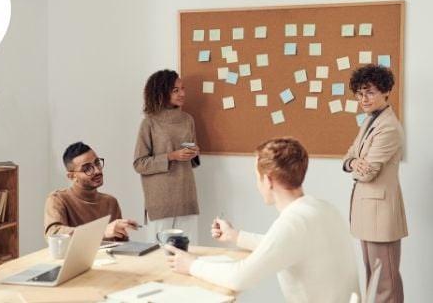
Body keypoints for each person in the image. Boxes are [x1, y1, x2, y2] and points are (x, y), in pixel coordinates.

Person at [166, 137, 360, 302]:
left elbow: (238, 278)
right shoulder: (320, 208)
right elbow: (282, 246)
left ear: (268, 181)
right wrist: (237, 236)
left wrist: (192, 265)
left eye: (257, 177)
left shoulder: (293, 223)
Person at [342, 64, 407, 303]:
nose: (363, 99)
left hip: (381, 215)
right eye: (359, 93)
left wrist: (357, 164)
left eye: (369, 92)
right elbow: (348, 156)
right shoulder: (369, 122)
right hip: (368, 213)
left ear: (385, 90)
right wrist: (353, 163)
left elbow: (367, 173)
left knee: (385, 284)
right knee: (374, 279)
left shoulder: (388, 127)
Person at [133, 69, 200, 244]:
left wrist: (193, 152)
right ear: (161, 92)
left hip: (186, 196)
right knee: (159, 256)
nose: (182, 93)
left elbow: (190, 155)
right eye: (175, 90)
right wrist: (171, 156)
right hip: (161, 201)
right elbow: (139, 164)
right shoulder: (149, 123)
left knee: (189, 251)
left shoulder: (187, 120)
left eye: (182, 88)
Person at [44, 142, 138, 241]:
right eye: (87, 168)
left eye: (97, 163)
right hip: (77, 257)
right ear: (72, 176)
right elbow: (53, 234)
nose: (97, 171)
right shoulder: (57, 199)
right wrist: (101, 232)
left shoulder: (111, 202)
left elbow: (122, 246)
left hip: (108, 256)